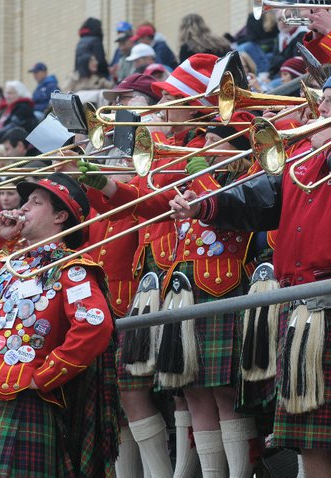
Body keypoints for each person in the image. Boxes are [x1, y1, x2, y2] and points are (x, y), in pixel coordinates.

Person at [171, 63, 331, 477]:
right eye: (322, 102)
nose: (321, 110)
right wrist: (205, 206)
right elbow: (262, 199)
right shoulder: (306, 152)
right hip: (302, 302)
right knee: (309, 440)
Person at [77, 53, 218, 478]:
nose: (159, 107)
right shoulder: (163, 146)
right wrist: (101, 181)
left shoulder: (198, 143)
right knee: (175, 386)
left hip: (195, 273)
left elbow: (159, 202)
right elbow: (140, 199)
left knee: (194, 387)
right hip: (156, 275)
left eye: (170, 98)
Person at [0, 172, 117, 477]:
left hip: (21, 394)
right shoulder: (3, 261)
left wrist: (44, 377)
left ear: (61, 216)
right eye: (26, 201)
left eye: (35, 203)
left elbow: (94, 326)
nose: (23, 208)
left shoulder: (71, 267)